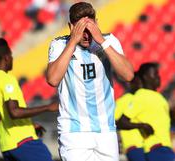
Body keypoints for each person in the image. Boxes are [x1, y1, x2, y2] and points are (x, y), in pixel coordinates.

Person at [46, 2, 134, 161]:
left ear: (97, 23)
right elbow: (52, 79)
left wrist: (101, 41)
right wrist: (73, 42)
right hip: (73, 132)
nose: (86, 35)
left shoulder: (109, 41)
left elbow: (128, 75)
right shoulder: (59, 44)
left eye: (90, 28)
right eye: (81, 30)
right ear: (71, 27)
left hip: (106, 131)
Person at [0, 38, 58, 161]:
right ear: (7, 57)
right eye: (11, 56)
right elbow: (15, 112)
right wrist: (48, 107)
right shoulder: (7, 79)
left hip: (6, 146)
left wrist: (28, 125)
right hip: (23, 142)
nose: (12, 59)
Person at [121, 62, 175, 161]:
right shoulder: (141, 96)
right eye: (155, 74)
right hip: (156, 149)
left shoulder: (159, 97)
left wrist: (173, 115)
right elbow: (122, 122)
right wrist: (142, 126)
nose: (158, 77)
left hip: (165, 147)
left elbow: (159, 121)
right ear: (145, 77)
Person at [115, 72, 147, 161]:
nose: (141, 85)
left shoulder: (146, 99)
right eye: (138, 82)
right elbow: (113, 121)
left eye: (142, 83)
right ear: (131, 84)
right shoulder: (124, 100)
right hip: (134, 145)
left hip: (149, 145)